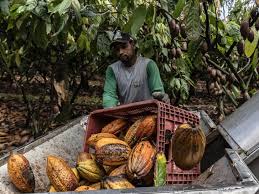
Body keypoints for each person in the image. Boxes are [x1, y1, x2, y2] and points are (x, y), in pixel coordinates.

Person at [102, 31, 169, 108]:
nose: (120, 52)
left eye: (124, 47)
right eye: (117, 49)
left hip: (149, 114)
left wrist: (162, 97)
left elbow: (158, 92)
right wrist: (109, 107)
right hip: (126, 115)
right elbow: (109, 95)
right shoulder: (112, 70)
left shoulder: (148, 65)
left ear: (132, 44)